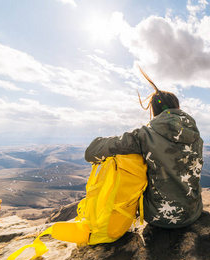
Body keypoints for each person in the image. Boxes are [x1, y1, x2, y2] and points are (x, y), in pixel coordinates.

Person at [85, 68, 203, 228]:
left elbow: (92, 152)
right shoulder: (195, 134)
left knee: (131, 157)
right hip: (193, 213)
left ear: (154, 110)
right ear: (177, 108)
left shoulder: (144, 135)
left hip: (159, 217)